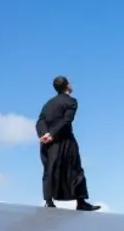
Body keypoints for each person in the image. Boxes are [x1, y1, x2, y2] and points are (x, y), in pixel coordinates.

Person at [35, 76, 100, 211]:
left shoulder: (49, 103)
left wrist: (44, 134)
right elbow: (66, 121)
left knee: (49, 169)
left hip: (48, 142)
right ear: (67, 86)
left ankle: (49, 202)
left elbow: (40, 121)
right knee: (75, 169)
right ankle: (81, 202)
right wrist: (52, 134)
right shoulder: (71, 102)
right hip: (64, 140)